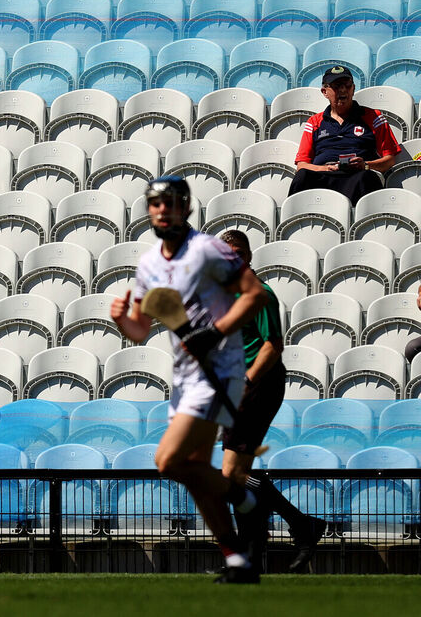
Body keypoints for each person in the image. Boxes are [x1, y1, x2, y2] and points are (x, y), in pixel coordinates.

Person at [110, 176, 272, 584]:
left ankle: (246, 497)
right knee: (196, 470)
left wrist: (215, 332)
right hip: (183, 378)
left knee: (168, 462)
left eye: (172, 202)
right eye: (156, 203)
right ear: (149, 210)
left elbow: (255, 296)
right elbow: (141, 328)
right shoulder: (148, 263)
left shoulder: (208, 250)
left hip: (220, 371)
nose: (164, 210)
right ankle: (237, 559)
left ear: (186, 207)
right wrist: (121, 320)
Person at [217, 229, 327, 574]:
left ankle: (295, 527)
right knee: (239, 473)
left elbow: (272, 346)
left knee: (232, 474)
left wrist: (248, 381)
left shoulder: (260, 293)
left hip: (259, 383)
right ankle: (257, 552)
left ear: (247, 257)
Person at [289, 65, 401, 204]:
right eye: (337, 86)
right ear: (325, 91)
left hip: (358, 174)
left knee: (366, 178)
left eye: (347, 85)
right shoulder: (315, 121)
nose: (343, 90)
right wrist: (324, 168)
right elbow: (302, 165)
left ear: (353, 88)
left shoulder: (374, 116)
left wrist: (365, 165)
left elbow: (389, 160)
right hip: (324, 174)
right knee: (302, 176)